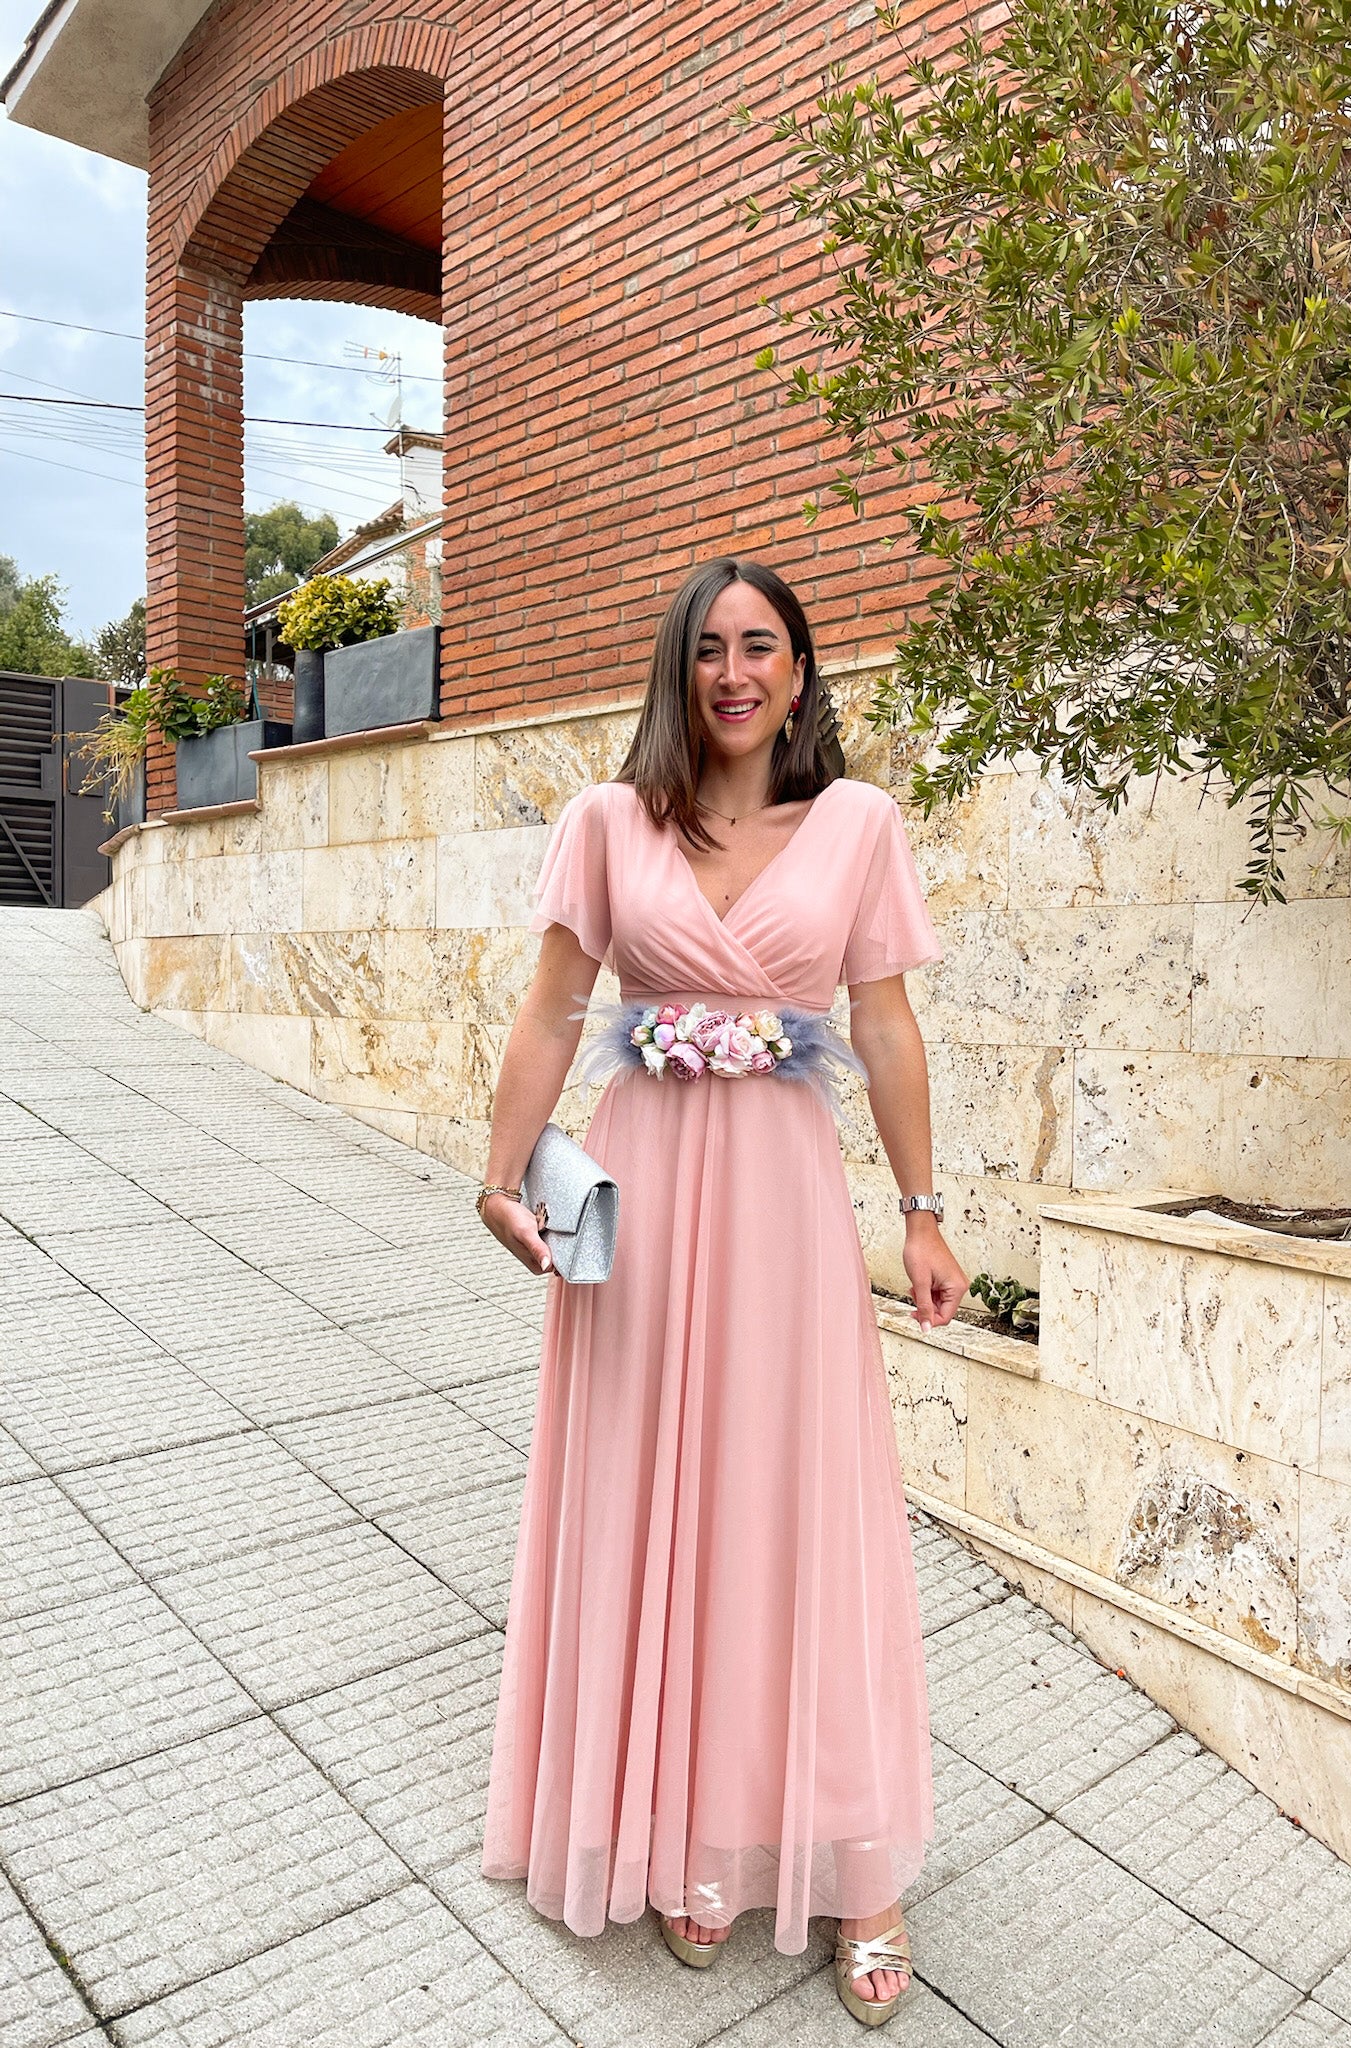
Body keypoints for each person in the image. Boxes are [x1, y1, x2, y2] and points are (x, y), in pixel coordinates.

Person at [476, 557, 969, 2027]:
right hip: (642, 1201)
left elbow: (883, 1026)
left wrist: (927, 1214)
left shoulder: (862, 825)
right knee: (652, 1501)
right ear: (676, 672)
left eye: (763, 648)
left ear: (801, 676)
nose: (735, 671)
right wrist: (499, 1176)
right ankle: (695, 1832)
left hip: (786, 1208)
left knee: (795, 1509)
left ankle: (855, 1864)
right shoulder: (607, 822)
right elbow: (556, 1008)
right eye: (708, 648)